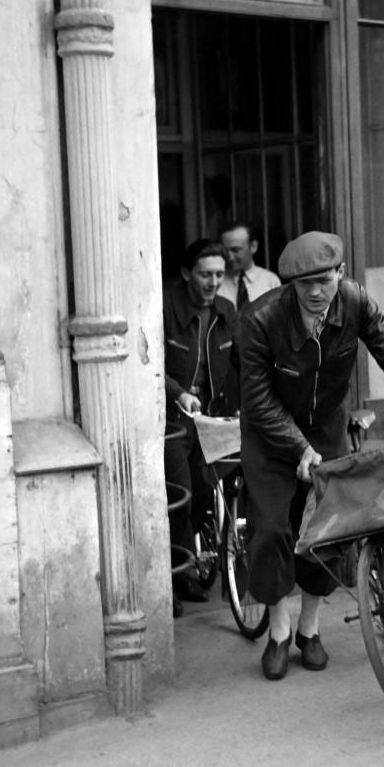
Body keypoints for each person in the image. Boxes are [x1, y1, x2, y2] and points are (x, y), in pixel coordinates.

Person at [237, 231, 384, 680]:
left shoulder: (356, 302)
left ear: (340, 274)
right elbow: (258, 400)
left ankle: (309, 627)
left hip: (326, 426)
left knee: (326, 530)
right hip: (269, 434)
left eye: (324, 280)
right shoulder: (259, 320)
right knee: (270, 529)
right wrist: (297, 448)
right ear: (290, 285)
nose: (314, 292)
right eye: (303, 283)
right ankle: (279, 629)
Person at [163, 239, 240, 618]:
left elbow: (242, 362)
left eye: (219, 275)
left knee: (206, 494)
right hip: (173, 421)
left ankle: (187, 566)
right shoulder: (164, 306)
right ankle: (173, 578)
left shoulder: (226, 312)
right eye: (205, 274)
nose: (213, 283)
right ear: (185, 274)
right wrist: (177, 393)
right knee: (180, 496)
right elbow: (150, 362)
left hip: (210, 418)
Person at [217, 219, 281, 309]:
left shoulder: (270, 281)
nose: (229, 257)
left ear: (253, 246)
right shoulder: (216, 281)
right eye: (225, 250)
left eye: (235, 250)